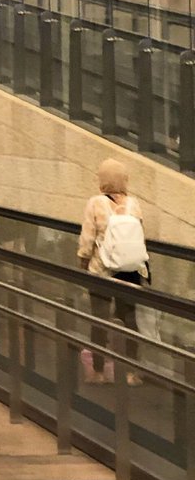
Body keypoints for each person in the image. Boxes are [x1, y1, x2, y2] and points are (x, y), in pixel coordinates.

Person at [77, 158, 149, 387]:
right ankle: (133, 373)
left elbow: (87, 239)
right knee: (129, 320)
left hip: (102, 269)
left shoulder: (95, 203)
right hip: (130, 270)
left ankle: (98, 372)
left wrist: (82, 262)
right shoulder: (134, 204)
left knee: (99, 320)